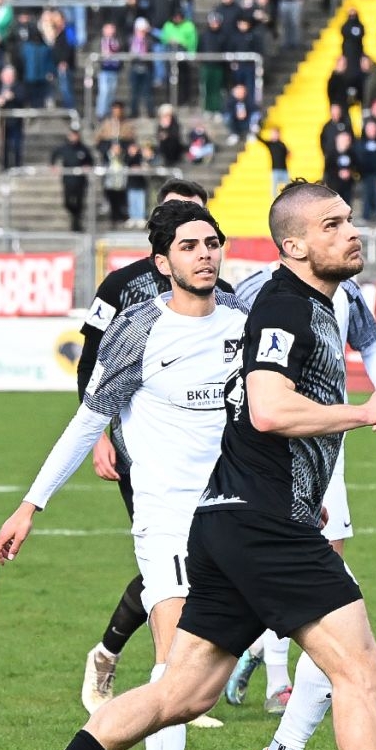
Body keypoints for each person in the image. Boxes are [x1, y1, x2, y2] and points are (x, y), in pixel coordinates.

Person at [0, 181, 376, 750]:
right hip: (261, 521)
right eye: (333, 223)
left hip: (222, 519)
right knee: (362, 670)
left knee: (183, 689)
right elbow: (271, 407)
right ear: (294, 244)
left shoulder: (291, 300)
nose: (352, 232)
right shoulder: (283, 304)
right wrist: (365, 409)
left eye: (350, 219)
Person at [0, 203, 244, 750]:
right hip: (165, 517)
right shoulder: (138, 329)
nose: (206, 254)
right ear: (163, 262)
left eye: (213, 243)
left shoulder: (243, 325)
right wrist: (31, 503)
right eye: (190, 245)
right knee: (177, 657)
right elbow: (87, 420)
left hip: (235, 514)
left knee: (204, 681)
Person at [221, 246, 376, 750]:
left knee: (326, 611)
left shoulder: (344, 294)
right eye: (335, 223)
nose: (352, 234)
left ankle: (282, 739)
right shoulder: (260, 296)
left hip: (321, 467)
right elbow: (251, 389)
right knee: (342, 633)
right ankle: (282, 736)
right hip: (264, 476)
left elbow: (370, 343)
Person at [71, 178, 221, 711]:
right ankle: (173, 681)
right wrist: (100, 438)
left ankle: (142, 663)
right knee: (171, 558)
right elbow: (92, 365)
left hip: (209, 457)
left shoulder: (221, 296)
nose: (200, 245)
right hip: (144, 450)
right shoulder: (120, 286)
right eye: (182, 228)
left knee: (199, 560)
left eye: (204, 229)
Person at [51, 123, 93, 232]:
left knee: (79, 203)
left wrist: (87, 167)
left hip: (80, 181)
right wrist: (53, 165)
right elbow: (54, 155)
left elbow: (90, 161)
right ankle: (74, 218)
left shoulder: (83, 149)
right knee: (67, 202)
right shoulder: (64, 148)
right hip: (68, 180)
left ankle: (76, 224)